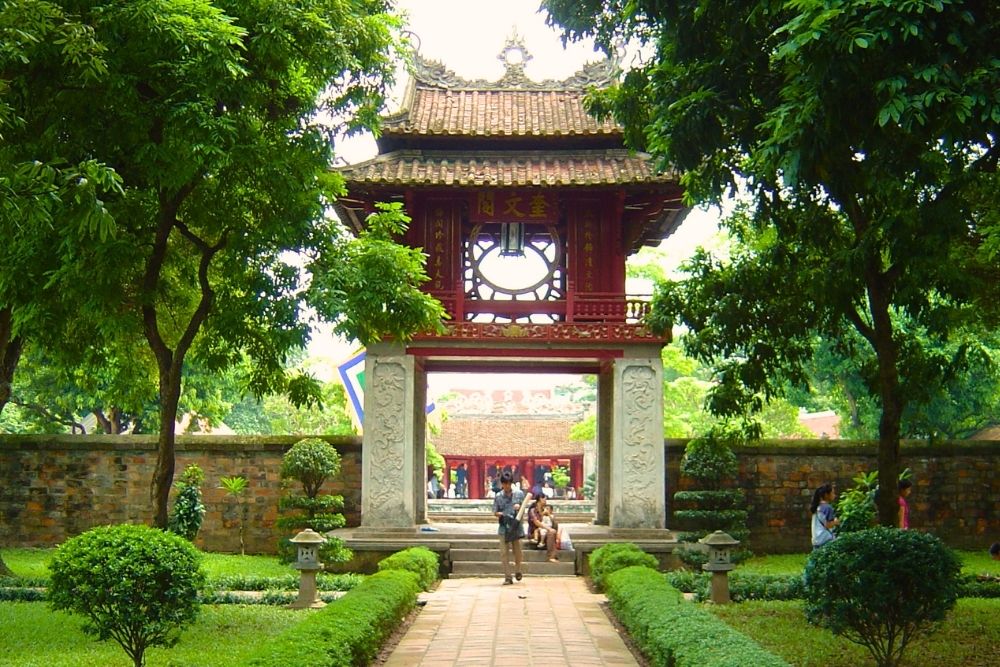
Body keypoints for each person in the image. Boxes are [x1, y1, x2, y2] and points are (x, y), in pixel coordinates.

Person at [493, 471, 524, 585]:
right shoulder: (498, 496)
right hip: (503, 527)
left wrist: (519, 508)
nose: (506, 486)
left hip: (516, 527)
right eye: (504, 484)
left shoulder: (519, 494)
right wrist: (503, 514)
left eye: (508, 484)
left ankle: (518, 570)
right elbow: (495, 512)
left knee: (518, 552)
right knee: (504, 553)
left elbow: (523, 509)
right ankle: (507, 576)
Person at [528, 494, 559, 562]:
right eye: (544, 499)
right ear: (540, 499)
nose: (545, 501)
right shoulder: (533, 510)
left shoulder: (545, 510)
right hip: (535, 532)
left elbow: (554, 524)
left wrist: (549, 515)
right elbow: (536, 522)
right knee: (550, 532)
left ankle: (551, 556)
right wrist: (548, 528)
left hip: (545, 532)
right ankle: (551, 556)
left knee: (552, 532)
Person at [810, 483, 839, 549]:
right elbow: (828, 525)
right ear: (826, 495)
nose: (834, 495)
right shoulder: (828, 508)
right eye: (832, 493)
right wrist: (836, 522)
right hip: (825, 540)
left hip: (816, 540)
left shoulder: (816, 506)